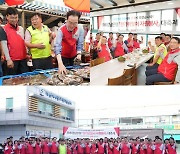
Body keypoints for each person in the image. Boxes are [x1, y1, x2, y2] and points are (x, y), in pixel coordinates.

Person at [54, 10, 84, 74]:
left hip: (74, 55)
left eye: (75, 23)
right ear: (66, 20)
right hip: (63, 56)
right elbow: (57, 47)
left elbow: (80, 44)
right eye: (70, 22)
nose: (72, 25)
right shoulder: (61, 30)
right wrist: (60, 63)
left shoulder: (80, 29)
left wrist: (79, 55)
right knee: (64, 73)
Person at [3, 7, 29, 75]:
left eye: (16, 17)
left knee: (25, 79)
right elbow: (4, 45)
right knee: (12, 81)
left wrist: (27, 54)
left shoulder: (21, 29)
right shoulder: (3, 29)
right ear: (7, 17)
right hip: (12, 61)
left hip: (23, 59)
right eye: (12, 18)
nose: (14, 20)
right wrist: (8, 60)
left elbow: (23, 43)